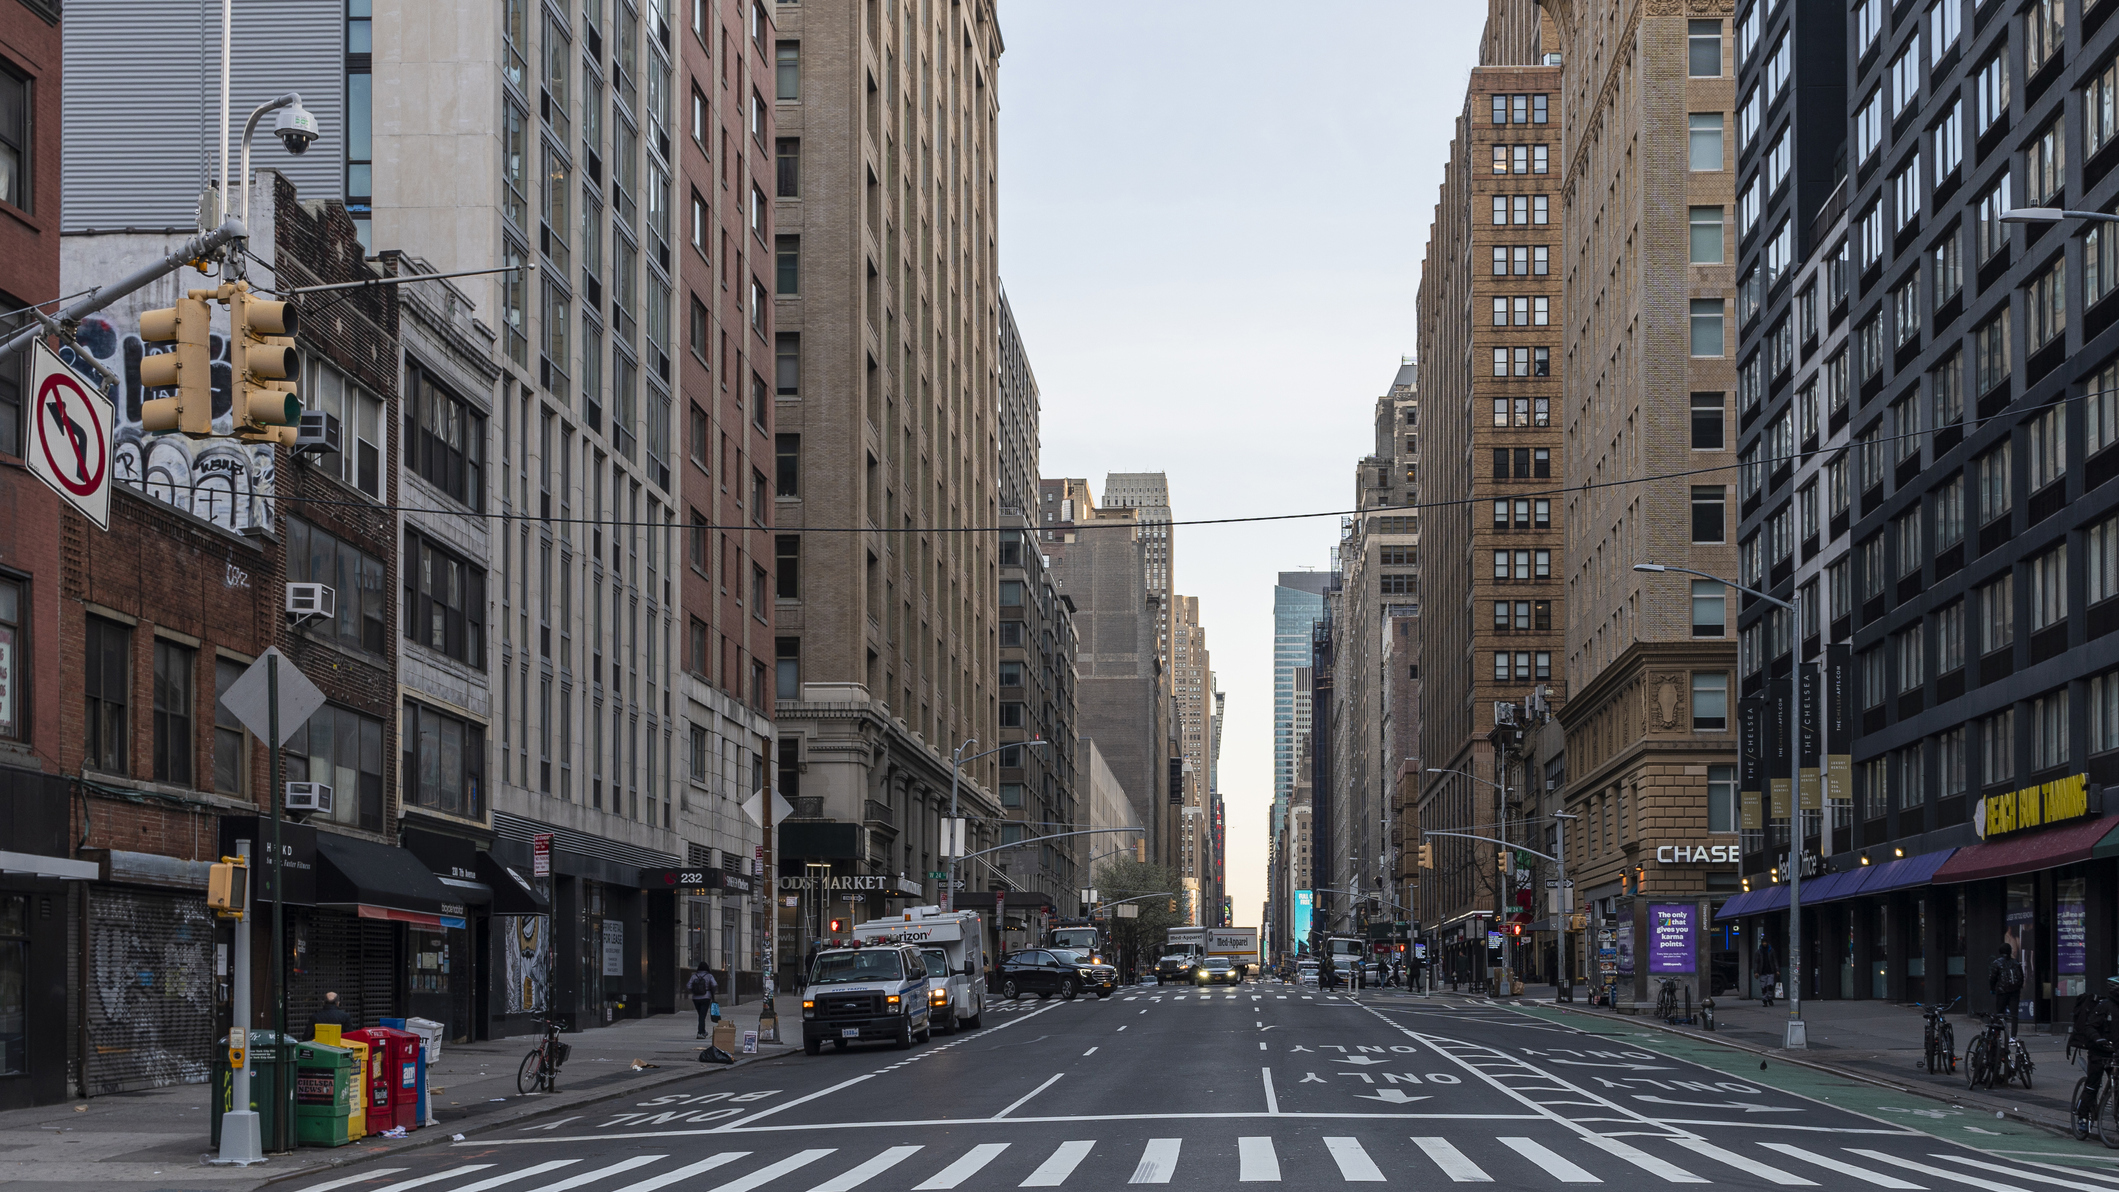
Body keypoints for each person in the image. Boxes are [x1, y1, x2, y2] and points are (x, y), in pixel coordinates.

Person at [2070, 975, 2119, 1133]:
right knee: (2092, 1085)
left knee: (2117, 1087)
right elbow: (2089, 1026)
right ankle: (2082, 1116)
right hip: (2099, 1052)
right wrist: (2098, 1039)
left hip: (2116, 1053)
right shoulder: (2104, 1006)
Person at [1989, 942, 2025, 1038]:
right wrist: (2018, 987)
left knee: (1999, 1014)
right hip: (2015, 992)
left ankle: (1998, 1036)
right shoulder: (2016, 963)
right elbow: (2021, 977)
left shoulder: (1997, 963)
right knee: (2014, 1015)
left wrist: (1992, 989)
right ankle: (2013, 1037)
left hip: (2002, 992)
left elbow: (1992, 978)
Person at [687, 966, 718, 1039]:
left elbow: (688, 986)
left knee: (701, 1015)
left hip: (695, 998)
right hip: (706, 997)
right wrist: (712, 992)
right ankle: (700, 1032)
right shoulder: (709, 976)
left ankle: (703, 1031)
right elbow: (714, 984)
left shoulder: (694, 976)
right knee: (702, 1015)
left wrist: (694, 991)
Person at [1754, 939, 1779, 1009]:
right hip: (1762, 972)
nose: (1764, 943)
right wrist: (1756, 972)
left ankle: (1769, 998)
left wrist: (1777, 970)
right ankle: (1764, 1000)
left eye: (1765, 942)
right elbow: (1756, 962)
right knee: (1763, 987)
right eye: (1763, 942)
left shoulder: (1771, 951)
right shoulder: (1759, 952)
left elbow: (1775, 960)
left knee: (1770, 986)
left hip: (1770, 971)